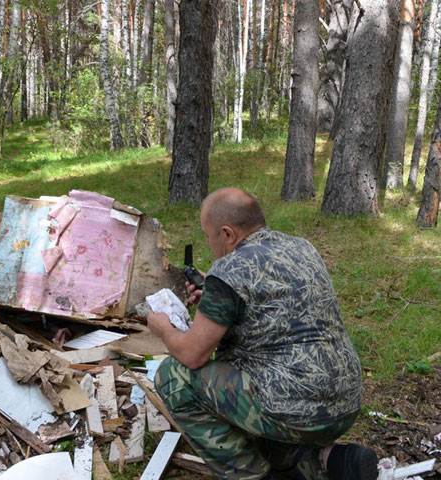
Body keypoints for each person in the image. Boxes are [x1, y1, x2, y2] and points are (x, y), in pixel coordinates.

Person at [147, 188, 376, 480]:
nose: (209, 243)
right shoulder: (302, 248)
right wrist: (215, 297)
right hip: (345, 401)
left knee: (173, 376)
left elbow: (193, 355)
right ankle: (327, 461)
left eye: (208, 235)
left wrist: (163, 329)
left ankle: (253, 475)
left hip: (292, 409)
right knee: (254, 403)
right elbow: (273, 307)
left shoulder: (228, 270)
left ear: (228, 234)